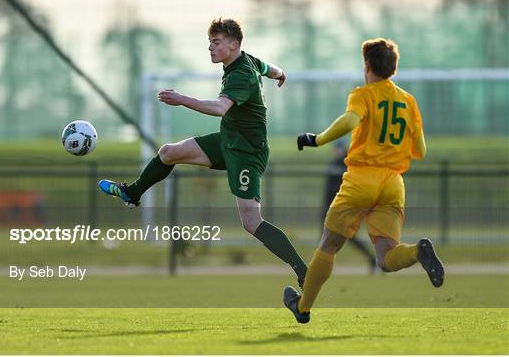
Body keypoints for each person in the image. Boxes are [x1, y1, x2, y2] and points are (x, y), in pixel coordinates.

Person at [99, 18, 307, 288]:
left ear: (233, 45)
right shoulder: (249, 61)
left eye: (216, 42)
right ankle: (132, 193)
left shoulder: (241, 72)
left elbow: (221, 108)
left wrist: (182, 99)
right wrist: (280, 74)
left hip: (246, 152)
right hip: (228, 141)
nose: (210, 47)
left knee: (251, 222)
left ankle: (303, 269)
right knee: (168, 152)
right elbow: (271, 69)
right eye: (210, 42)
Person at [284, 38, 444, 324]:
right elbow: (421, 150)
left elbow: (349, 121)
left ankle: (303, 307)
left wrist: (317, 139)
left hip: (361, 178)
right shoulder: (408, 101)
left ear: (367, 65)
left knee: (328, 246)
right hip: (393, 184)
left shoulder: (364, 94)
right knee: (387, 258)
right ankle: (417, 251)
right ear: (393, 68)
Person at [323, 141, 377, 273]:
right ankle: (321, 266)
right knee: (327, 238)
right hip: (331, 207)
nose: (337, 152)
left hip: (345, 208)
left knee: (347, 237)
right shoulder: (332, 164)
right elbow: (327, 190)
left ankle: (372, 259)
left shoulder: (349, 165)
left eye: (339, 149)